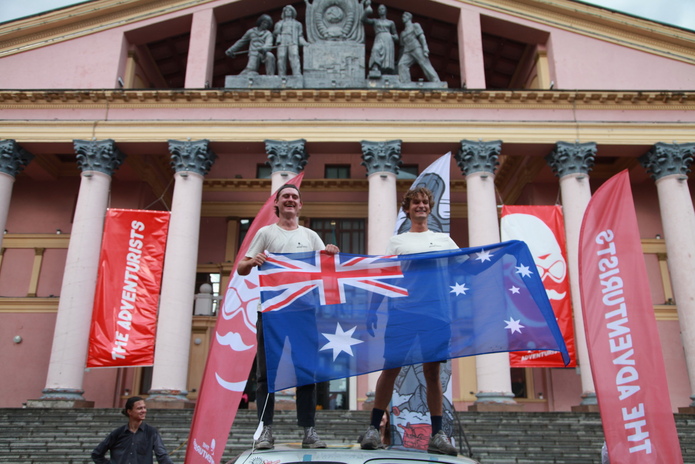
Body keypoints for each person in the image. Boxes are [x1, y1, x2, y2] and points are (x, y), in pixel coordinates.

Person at [238, 183, 339, 450]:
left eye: (295, 197)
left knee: (306, 371)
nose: (290, 200)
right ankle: (265, 431)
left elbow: (326, 269)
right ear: (278, 204)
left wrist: (331, 254)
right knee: (265, 375)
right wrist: (253, 261)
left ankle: (309, 431)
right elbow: (241, 268)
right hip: (271, 312)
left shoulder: (310, 235)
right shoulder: (265, 233)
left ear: (300, 204)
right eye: (286, 197)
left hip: (304, 311)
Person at [359, 187, 458, 456]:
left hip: (436, 313)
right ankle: (372, 428)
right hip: (402, 312)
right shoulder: (397, 242)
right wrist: (372, 311)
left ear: (430, 207)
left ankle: (437, 435)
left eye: (425, 202)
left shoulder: (444, 240)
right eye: (416, 202)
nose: (421, 206)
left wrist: (505, 253)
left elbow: (467, 266)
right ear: (408, 208)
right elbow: (384, 278)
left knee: (432, 374)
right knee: (390, 369)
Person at [91, 396, 174, 464]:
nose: (143, 411)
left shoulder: (151, 432)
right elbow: (96, 454)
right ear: (129, 411)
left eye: (144, 408)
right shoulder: (117, 433)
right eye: (139, 408)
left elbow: (162, 456)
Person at [398, 12, 441, 83]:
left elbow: (421, 37)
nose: (403, 18)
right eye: (402, 16)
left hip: (416, 48)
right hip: (407, 51)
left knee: (424, 63)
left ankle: (436, 80)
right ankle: (405, 83)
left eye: (405, 16)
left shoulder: (415, 25)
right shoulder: (403, 33)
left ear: (409, 17)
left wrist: (425, 48)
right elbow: (402, 47)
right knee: (402, 64)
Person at [361, 1, 398, 78]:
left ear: (385, 10)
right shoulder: (375, 21)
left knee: (387, 57)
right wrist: (367, 10)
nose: (381, 10)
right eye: (379, 9)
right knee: (376, 49)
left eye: (382, 9)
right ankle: (375, 67)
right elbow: (363, 19)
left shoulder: (391, 22)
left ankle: (387, 71)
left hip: (388, 39)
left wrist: (394, 37)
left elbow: (396, 35)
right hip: (379, 37)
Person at [274, 5, 308, 76]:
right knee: (281, 56)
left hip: (292, 40)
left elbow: (300, 36)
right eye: (286, 10)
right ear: (284, 12)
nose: (288, 12)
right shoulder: (279, 23)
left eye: (290, 10)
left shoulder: (297, 24)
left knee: (294, 55)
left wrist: (306, 44)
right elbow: (274, 34)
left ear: (293, 13)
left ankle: (296, 74)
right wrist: (277, 32)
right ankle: (281, 75)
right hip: (282, 40)